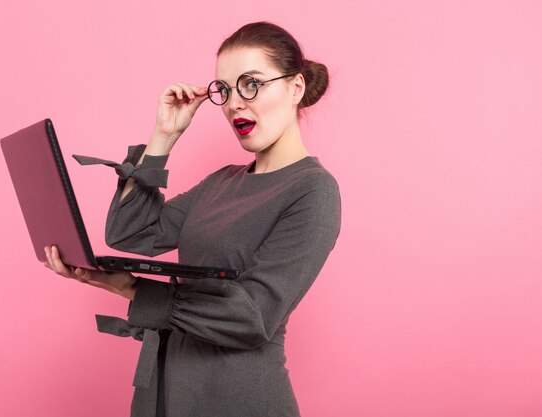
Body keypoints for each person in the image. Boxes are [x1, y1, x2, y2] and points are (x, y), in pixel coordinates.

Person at [43, 21, 341, 417]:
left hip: (237, 399)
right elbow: (130, 233)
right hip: (168, 391)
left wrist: (132, 289)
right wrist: (163, 136)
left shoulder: (313, 190)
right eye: (225, 89)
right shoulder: (222, 182)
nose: (235, 103)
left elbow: (252, 316)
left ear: (295, 88)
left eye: (251, 84)